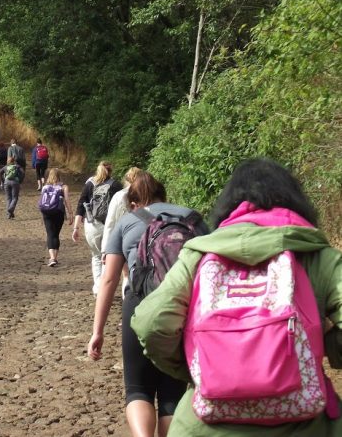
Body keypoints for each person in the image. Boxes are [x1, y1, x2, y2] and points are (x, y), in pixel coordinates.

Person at [130, 158, 342, 437]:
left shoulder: (199, 254)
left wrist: (200, 367)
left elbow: (151, 323)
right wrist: (322, 342)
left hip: (203, 426)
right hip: (306, 425)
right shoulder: (319, 256)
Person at [87, 171, 209, 437]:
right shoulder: (192, 219)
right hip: (183, 310)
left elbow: (108, 280)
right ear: (163, 195)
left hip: (138, 305)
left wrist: (98, 331)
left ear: (133, 203)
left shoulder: (127, 222)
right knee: (173, 394)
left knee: (138, 389)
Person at [72, 162, 123, 295]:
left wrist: (76, 227)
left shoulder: (90, 184)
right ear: (110, 171)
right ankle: (105, 288)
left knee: (96, 256)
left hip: (92, 225)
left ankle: (98, 288)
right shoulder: (116, 185)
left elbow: (80, 206)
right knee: (108, 257)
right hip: (110, 226)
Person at [101, 167, 143, 298]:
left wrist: (105, 249)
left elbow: (110, 223)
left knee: (126, 275)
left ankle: (128, 303)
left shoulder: (119, 196)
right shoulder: (145, 196)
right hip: (140, 240)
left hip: (122, 239)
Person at [39, 168, 73, 267]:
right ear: (59, 175)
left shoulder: (45, 187)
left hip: (47, 213)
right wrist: (70, 213)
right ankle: (55, 258)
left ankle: (51, 258)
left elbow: (42, 201)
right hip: (59, 212)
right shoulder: (63, 187)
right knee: (56, 234)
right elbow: (66, 200)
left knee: (50, 234)